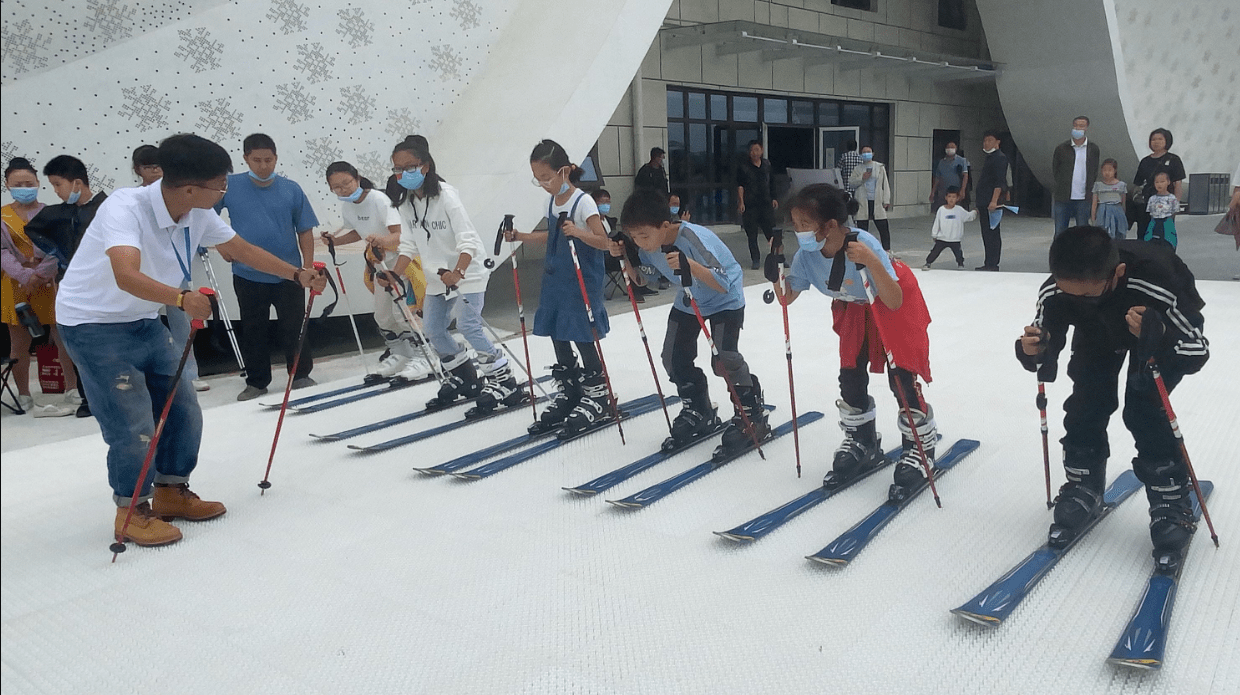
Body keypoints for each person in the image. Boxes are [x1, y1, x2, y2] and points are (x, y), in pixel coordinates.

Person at [55, 133, 327, 547]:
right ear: (189, 188)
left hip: (144, 318)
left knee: (182, 404)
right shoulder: (125, 207)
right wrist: (182, 298)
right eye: (219, 184)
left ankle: (170, 490)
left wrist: (296, 274)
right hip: (93, 324)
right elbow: (124, 275)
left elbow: (243, 249)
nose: (224, 190)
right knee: (133, 423)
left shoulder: (198, 212)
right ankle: (132, 510)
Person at [1016, 227, 1208, 567]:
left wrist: (1159, 334)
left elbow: (1196, 348)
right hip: (1099, 332)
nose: (1077, 300)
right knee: (1087, 397)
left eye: (1088, 295)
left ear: (1116, 274)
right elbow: (1046, 331)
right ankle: (1083, 483)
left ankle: (1169, 496)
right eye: (1068, 293)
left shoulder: (1157, 281)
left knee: (1143, 406)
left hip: (1155, 331)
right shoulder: (1059, 287)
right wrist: (1034, 348)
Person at [770, 184, 937, 499]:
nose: (798, 231)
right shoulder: (807, 254)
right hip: (853, 305)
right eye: (794, 224)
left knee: (900, 375)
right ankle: (862, 440)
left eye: (804, 225)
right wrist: (776, 270)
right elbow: (786, 298)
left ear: (829, 226)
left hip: (890, 299)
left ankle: (919, 447)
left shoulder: (863, 244)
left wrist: (872, 261)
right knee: (850, 373)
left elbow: (895, 298)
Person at [617, 188, 769, 454]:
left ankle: (751, 413)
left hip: (724, 299)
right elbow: (644, 280)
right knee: (672, 357)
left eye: (643, 235)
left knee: (724, 358)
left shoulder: (694, 238)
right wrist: (623, 258)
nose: (640, 242)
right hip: (690, 299)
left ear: (664, 225)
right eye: (634, 236)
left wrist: (690, 265)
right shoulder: (650, 246)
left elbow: (722, 281)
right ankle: (699, 409)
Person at [388, 135, 524, 412]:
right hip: (438, 276)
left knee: (468, 325)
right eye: (397, 169)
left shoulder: (446, 196)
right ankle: (465, 378)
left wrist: (458, 271)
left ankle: (504, 379)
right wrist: (393, 274)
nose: (403, 174)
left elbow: (468, 240)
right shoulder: (406, 203)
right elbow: (409, 244)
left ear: (424, 166)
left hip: (467, 271)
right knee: (434, 329)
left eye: (409, 167)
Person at [505, 139, 613, 436]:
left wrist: (577, 232)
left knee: (580, 333)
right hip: (556, 277)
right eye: (537, 179)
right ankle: (571, 390)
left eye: (546, 178)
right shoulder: (551, 201)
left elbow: (603, 240)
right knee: (557, 332)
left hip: (581, 278)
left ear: (563, 171)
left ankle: (597, 393)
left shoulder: (583, 201)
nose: (543, 184)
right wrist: (522, 236)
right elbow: (552, 236)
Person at [214, 133, 320, 401]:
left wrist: (306, 268)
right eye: (257, 160)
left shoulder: (291, 188)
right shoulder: (229, 186)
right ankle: (257, 381)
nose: (263, 165)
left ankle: (300, 375)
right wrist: (221, 246)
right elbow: (205, 218)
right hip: (248, 274)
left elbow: (305, 230)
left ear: (276, 158)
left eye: (269, 160)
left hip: (290, 274)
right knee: (253, 329)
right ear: (245, 158)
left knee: (294, 327)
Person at [320, 160, 432, 381]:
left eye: (347, 183)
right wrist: (335, 241)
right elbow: (359, 233)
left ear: (358, 178)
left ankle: (426, 356)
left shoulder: (379, 200)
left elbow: (399, 234)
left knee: (405, 314)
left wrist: (381, 240)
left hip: (402, 262)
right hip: (379, 264)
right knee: (382, 315)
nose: (343, 190)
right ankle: (401, 354)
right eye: (337, 187)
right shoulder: (348, 206)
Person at [25, 154, 109, 417]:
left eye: (58, 185)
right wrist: (61, 256)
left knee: (108, 343)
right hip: (73, 288)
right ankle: (87, 398)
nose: (56, 192)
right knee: (80, 344)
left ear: (76, 183)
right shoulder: (59, 214)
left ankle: (114, 395)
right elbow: (34, 230)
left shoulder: (107, 206)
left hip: (106, 285)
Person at [1, 157, 77, 417]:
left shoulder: (51, 213)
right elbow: (1, 252)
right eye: (17, 183)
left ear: (37, 183)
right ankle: (23, 394)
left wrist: (41, 274)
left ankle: (72, 388)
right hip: (14, 285)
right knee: (19, 342)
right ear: (7, 185)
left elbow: (59, 249)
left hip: (48, 283)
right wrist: (25, 276)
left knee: (61, 336)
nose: (24, 187)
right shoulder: (2, 216)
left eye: (29, 183)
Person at [592, 188, 654, 299]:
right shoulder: (592, 222)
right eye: (602, 203)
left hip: (619, 253)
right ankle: (635, 287)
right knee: (623, 244)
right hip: (604, 255)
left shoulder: (609, 221)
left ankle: (637, 284)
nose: (606, 205)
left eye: (608, 202)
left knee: (625, 248)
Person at [1051, 116, 1100, 237]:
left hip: (1083, 198)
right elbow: (1056, 170)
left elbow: (1094, 171)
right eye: (1076, 125)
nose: (1078, 128)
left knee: (1082, 231)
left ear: (1087, 128)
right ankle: (1060, 255)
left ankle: (1081, 255)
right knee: (1060, 231)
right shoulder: (1062, 148)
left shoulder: (1093, 149)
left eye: (1081, 126)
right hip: (1063, 197)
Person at [1131, 128, 1185, 235]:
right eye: (1153, 139)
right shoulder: (1145, 161)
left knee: (1164, 234)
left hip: (1166, 203)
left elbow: (1178, 184)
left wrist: (1175, 204)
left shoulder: (1174, 160)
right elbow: (1138, 183)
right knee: (1144, 233)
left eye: (1160, 139)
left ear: (1167, 141)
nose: (1156, 142)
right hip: (1147, 204)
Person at [736, 140, 780, 269]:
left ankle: (777, 256)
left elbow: (772, 183)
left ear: (761, 150)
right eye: (751, 150)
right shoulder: (743, 167)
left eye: (756, 149)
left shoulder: (767, 165)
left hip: (766, 204)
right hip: (750, 206)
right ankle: (755, 259)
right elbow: (740, 186)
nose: (754, 153)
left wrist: (774, 198)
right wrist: (741, 202)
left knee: (771, 233)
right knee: (752, 234)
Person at [974, 131, 1009, 271]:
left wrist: (994, 200)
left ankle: (993, 263)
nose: (986, 143)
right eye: (985, 140)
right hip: (984, 201)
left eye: (990, 140)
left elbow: (999, 182)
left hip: (991, 202)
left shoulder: (999, 158)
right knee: (986, 233)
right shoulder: (990, 157)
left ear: (997, 142)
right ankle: (988, 261)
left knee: (992, 233)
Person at [848, 146, 892, 251]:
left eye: (868, 152)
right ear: (861, 155)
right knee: (863, 227)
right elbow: (851, 183)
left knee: (883, 226)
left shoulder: (879, 167)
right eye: (864, 152)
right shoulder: (857, 168)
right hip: (863, 200)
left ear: (873, 153)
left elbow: (884, 184)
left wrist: (886, 200)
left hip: (877, 200)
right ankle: (864, 249)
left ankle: (887, 250)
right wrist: (862, 178)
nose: (866, 154)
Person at [922, 186, 976, 270]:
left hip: (955, 239)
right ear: (946, 197)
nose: (951, 199)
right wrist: (934, 234)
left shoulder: (959, 210)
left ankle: (960, 264)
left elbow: (968, 216)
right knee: (935, 251)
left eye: (954, 197)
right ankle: (928, 263)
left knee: (958, 253)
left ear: (957, 198)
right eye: (949, 196)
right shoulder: (941, 210)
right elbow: (937, 222)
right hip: (942, 238)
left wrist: (974, 212)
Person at [1090, 159, 1128, 240]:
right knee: (1102, 234)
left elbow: (1123, 203)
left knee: (1118, 234)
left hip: (1117, 210)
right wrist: (1093, 219)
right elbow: (1094, 204)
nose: (1107, 172)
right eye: (1104, 170)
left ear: (1115, 171)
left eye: (1110, 170)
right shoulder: (1098, 185)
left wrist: (1123, 216)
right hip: (1102, 211)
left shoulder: (1121, 185)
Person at [930, 141, 970, 213]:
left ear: (956, 148)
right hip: (943, 191)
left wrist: (963, 190)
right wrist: (933, 191)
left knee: (956, 210)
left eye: (952, 147)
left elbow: (965, 176)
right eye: (948, 147)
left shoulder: (961, 160)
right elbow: (937, 178)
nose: (950, 149)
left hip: (956, 190)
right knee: (944, 209)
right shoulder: (942, 162)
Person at [1143, 172, 1179, 249]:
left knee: (1169, 241)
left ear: (1168, 182)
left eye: (1162, 182)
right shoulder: (1152, 198)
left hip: (1167, 221)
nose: (1159, 184)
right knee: (1150, 240)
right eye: (1157, 182)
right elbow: (1150, 212)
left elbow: (1174, 211)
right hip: (1154, 221)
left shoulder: (1172, 198)